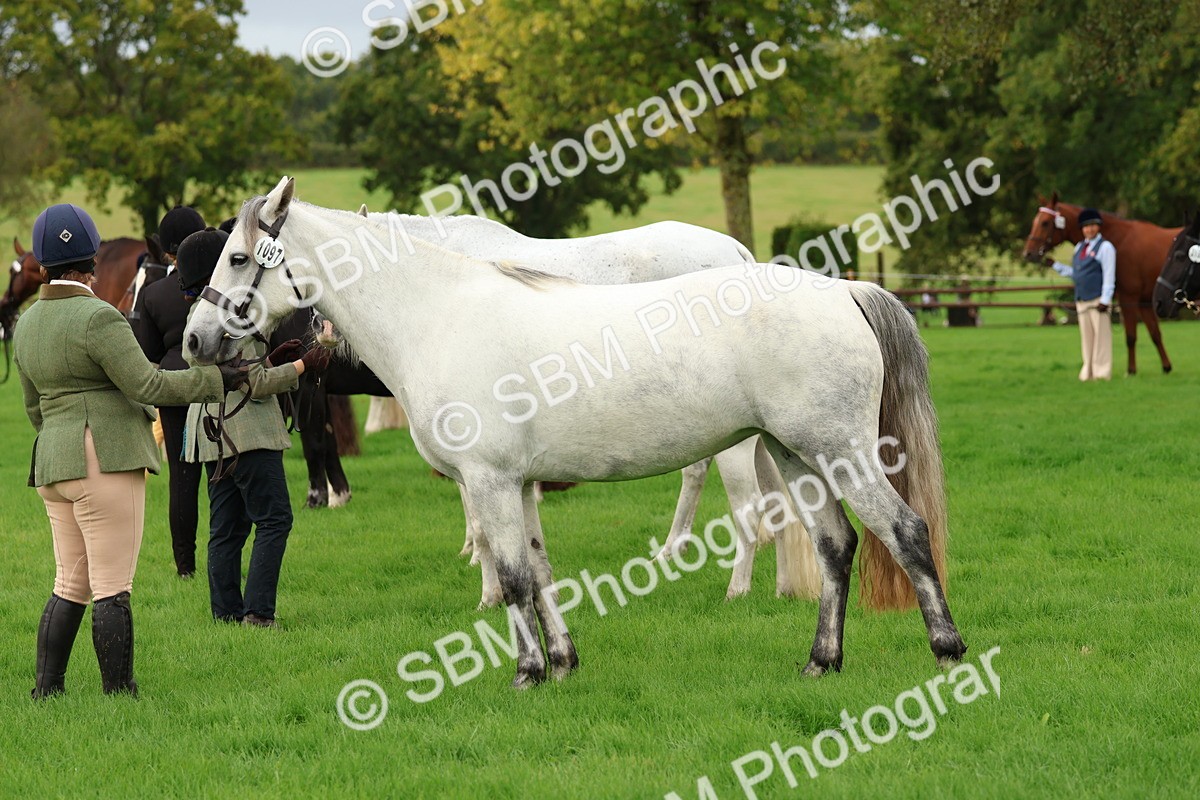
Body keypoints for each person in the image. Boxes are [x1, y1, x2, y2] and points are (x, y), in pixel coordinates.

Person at [14, 204, 248, 699]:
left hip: (52, 462)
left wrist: (59, 438)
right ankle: (120, 694)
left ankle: (46, 690)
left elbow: (33, 408)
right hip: (106, 457)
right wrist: (213, 379)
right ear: (92, 259)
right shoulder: (100, 317)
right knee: (112, 585)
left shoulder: (29, 323)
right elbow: (147, 384)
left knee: (69, 581)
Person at [175, 228, 330, 628]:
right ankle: (259, 614)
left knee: (226, 530)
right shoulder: (231, 311)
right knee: (275, 519)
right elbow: (256, 383)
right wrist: (304, 364)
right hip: (247, 433)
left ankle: (225, 614)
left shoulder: (200, 312)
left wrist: (275, 355)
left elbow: (248, 366)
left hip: (211, 436)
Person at [132, 207, 209, 577]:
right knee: (224, 474)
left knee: (182, 478)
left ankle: (185, 566)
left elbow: (149, 354)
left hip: (173, 388)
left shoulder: (153, 293)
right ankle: (228, 556)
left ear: (165, 250)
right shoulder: (219, 289)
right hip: (217, 384)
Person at [1044, 207, 1116, 381]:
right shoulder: (1079, 247)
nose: (1089, 229)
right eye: (1086, 226)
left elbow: (1108, 274)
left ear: (1098, 227)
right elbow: (1076, 273)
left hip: (1098, 298)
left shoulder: (1105, 247)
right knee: (1087, 338)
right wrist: (1055, 265)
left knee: (1102, 338)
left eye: (1092, 226)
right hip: (1082, 298)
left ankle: (1102, 372)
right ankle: (1088, 371)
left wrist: (1106, 299)